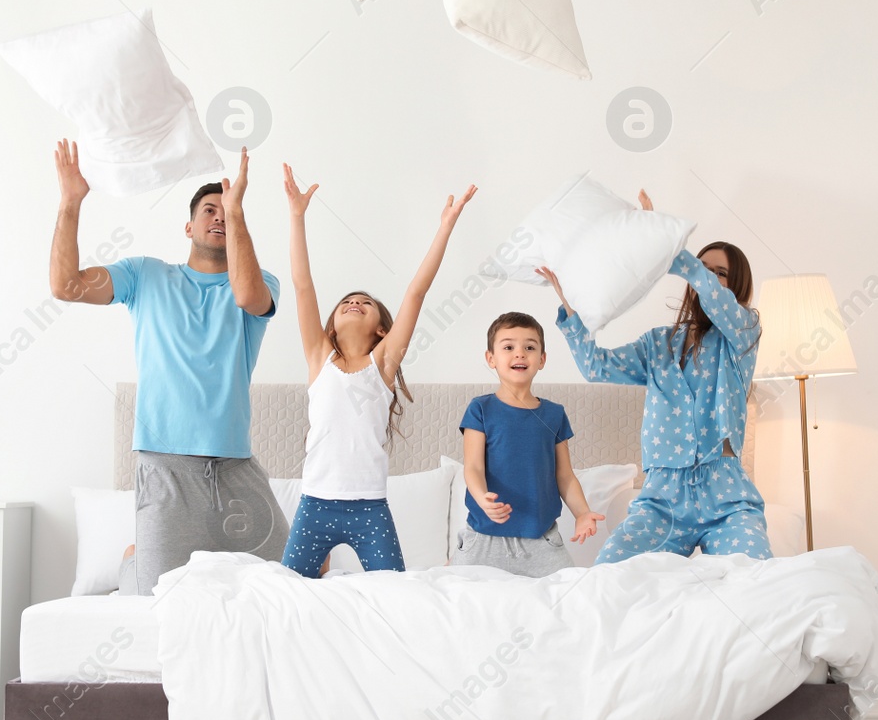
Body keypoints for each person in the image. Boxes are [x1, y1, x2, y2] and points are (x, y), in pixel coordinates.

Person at [49, 139, 287, 594]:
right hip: (164, 468)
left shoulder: (261, 283)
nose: (219, 216)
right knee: (158, 597)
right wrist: (70, 202)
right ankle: (131, 563)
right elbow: (66, 286)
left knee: (299, 574)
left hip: (235, 469)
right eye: (209, 211)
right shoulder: (145, 275)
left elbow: (246, 295)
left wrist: (237, 214)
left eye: (227, 211)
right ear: (188, 226)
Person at [540, 189, 770, 563]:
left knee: (755, 574)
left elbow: (712, 295)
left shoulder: (742, 335)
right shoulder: (657, 345)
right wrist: (573, 309)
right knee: (611, 570)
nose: (707, 278)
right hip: (663, 498)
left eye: (720, 274)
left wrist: (660, 241)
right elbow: (596, 367)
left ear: (735, 287)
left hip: (726, 494)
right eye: (704, 269)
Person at [277, 163, 475, 578]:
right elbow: (302, 285)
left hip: (369, 508)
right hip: (314, 505)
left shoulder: (383, 364)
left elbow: (416, 292)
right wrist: (297, 217)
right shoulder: (318, 357)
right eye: (347, 301)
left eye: (365, 303)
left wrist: (445, 227)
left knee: (396, 597)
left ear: (382, 329)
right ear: (330, 324)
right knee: (288, 593)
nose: (355, 303)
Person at [452, 311, 602, 576]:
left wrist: (582, 513)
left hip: (541, 542)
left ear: (542, 359)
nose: (520, 353)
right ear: (491, 359)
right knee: (461, 604)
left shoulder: (554, 414)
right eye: (508, 347)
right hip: (484, 540)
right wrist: (482, 498)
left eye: (529, 347)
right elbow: (473, 467)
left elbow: (564, 475)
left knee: (569, 602)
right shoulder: (480, 409)